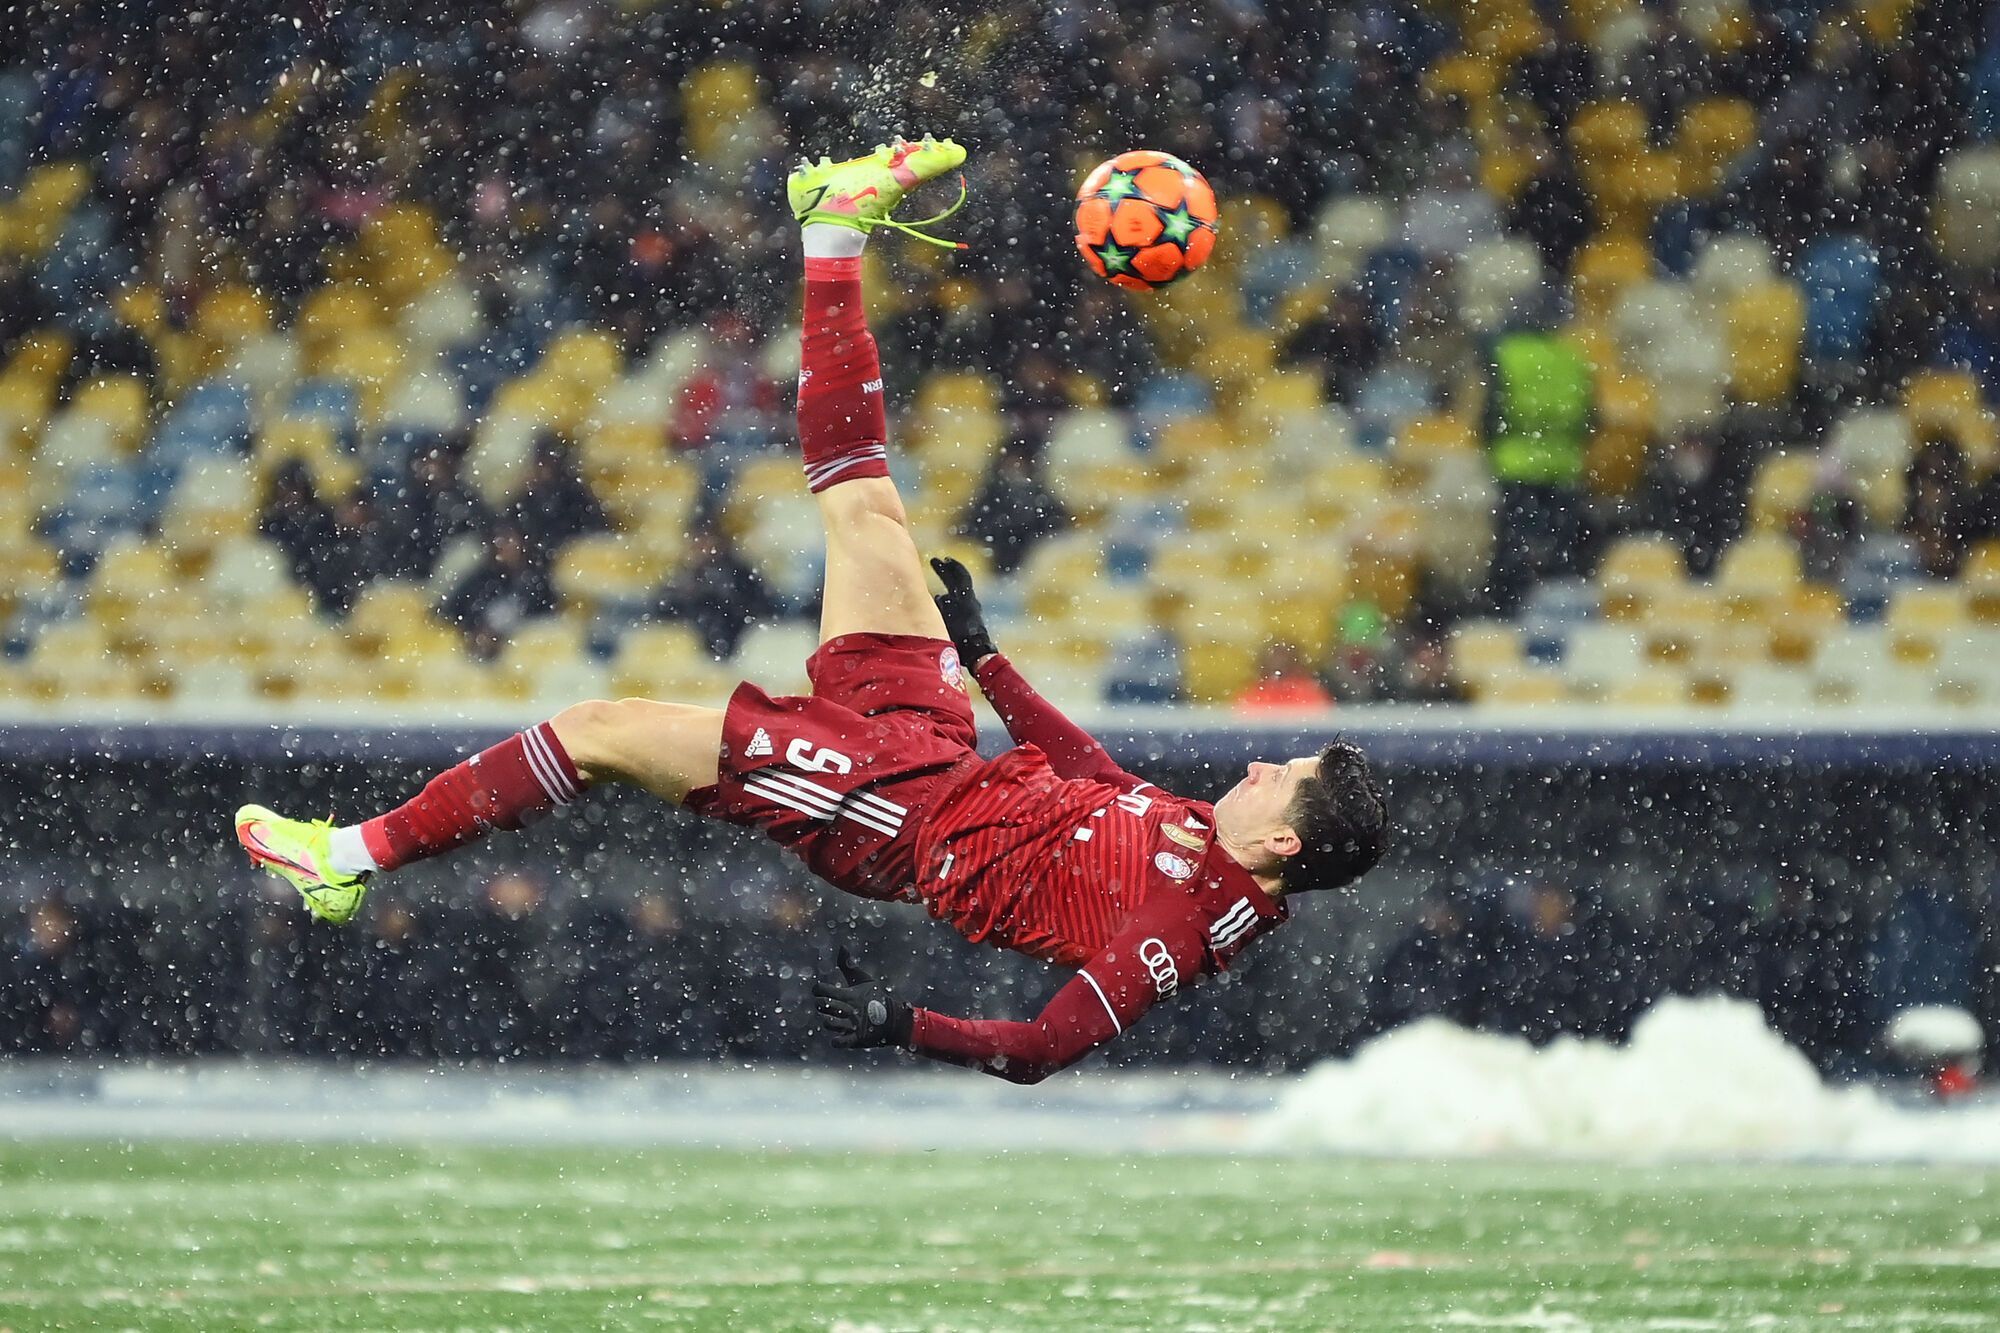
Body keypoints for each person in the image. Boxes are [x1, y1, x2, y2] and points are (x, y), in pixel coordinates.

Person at [234, 138, 1389, 1084]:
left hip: (891, 813)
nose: (1255, 765)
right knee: (865, 509)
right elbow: (1093, 770)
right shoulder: (1208, 840)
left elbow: (1042, 1047)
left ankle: (343, 857)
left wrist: (904, 1024)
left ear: (1282, 838)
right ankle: (832, 228)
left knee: (596, 729)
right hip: (937, 754)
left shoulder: (1181, 930)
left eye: (1276, 775)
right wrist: (986, 661)